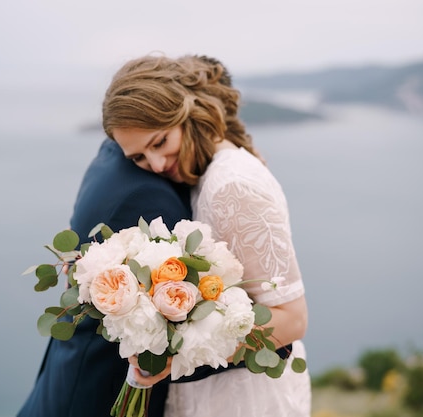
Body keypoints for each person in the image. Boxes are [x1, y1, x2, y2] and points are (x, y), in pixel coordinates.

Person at [102, 54, 312, 416]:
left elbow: (293, 319)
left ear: (187, 115)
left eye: (159, 142)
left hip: (247, 399)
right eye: (137, 157)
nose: (155, 165)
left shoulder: (231, 185)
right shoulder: (205, 172)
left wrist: (176, 350)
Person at [17, 138, 192, 417]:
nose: (156, 163)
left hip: (68, 375)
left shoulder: (113, 155)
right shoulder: (147, 192)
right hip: (95, 394)